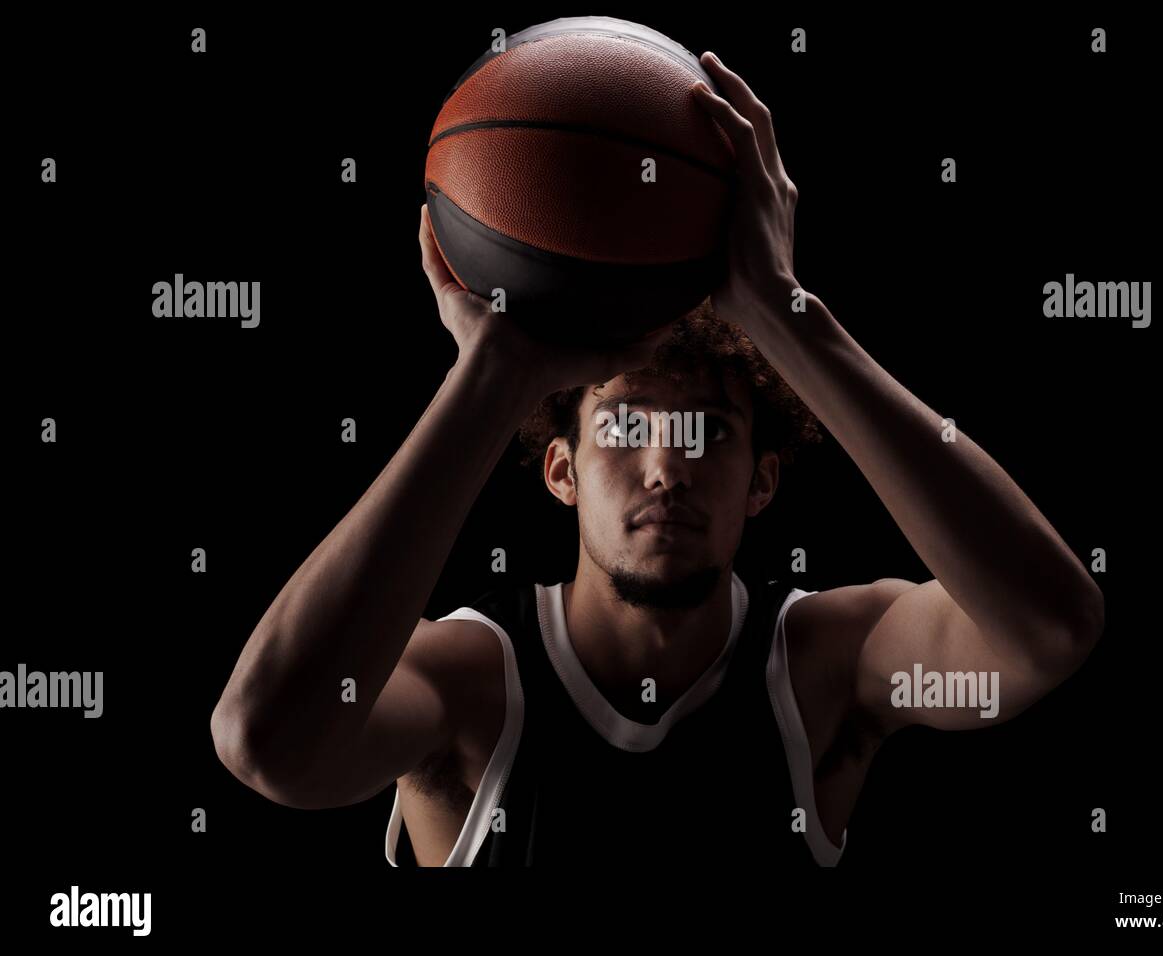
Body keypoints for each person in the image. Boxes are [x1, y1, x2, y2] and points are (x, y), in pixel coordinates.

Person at [210, 51, 1104, 867]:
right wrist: (490, 376)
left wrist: (785, 313)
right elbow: (266, 742)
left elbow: (1047, 630)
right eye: (628, 428)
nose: (667, 468)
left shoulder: (823, 667)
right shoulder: (474, 684)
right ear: (559, 470)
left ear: (763, 481)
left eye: (709, 431)